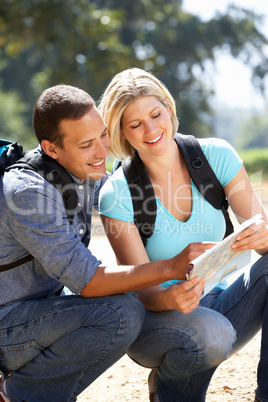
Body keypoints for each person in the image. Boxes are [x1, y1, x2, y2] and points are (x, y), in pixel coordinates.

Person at [0, 84, 220, 402]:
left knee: (122, 309)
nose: (103, 152)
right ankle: (16, 394)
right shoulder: (28, 193)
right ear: (51, 149)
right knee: (118, 314)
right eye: (87, 144)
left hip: (40, 313)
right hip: (8, 324)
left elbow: (132, 190)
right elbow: (89, 282)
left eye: (103, 135)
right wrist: (171, 267)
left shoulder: (85, 171)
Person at [98, 68, 268, 402]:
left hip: (222, 303)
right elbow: (142, 292)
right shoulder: (117, 194)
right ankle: (167, 389)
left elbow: (262, 230)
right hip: (157, 320)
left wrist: (262, 238)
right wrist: (169, 297)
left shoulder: (217, 156)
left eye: (155, 114)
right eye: (135, 124)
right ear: (122, 132)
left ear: (169, 109)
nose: (151, 130)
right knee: (211, 333)